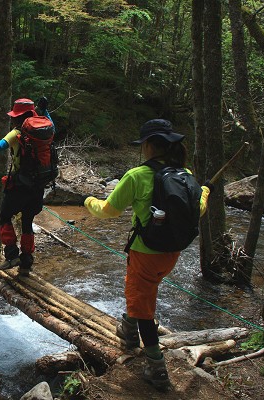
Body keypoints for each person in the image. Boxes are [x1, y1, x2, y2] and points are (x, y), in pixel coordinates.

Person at [83, 119, 211, 390]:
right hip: (172, 253)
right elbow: (198, 208)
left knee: (144, 309)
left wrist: (88, 201)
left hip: (145, 252)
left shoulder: (137, 175)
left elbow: (109, 211)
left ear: (150, 146)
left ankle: (157, 368)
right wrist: (206, 190)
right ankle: (128, 329)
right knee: (144, 291)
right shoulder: (184, 173)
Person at [0, 97, 54, 277]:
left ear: (18, 116)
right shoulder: (47, 127)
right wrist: (45, 110)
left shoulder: (17, 132)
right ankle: (26, 263)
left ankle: (11, 256)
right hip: (39, 185)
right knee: (27, 222)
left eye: (14, 116)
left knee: (4, 216)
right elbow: (50, 123)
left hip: (20, 185)